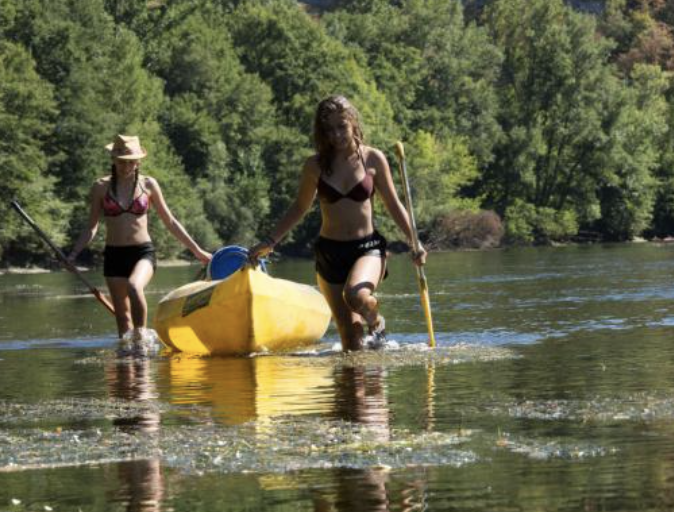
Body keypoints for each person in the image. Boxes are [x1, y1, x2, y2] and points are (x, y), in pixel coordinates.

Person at [249, 95, 426, 351]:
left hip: (367, 248)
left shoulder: (373, 159)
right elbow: (300, 207)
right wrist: (270, 241)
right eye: (329, 129)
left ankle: (376, 322)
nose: (336, 135)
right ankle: (367, 372)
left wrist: (415, 242)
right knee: (351, 343)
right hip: (329, 253)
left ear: (353, 122)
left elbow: (394, 205)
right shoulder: (314, 166)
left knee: (356, 295)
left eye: (341, 126)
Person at [68, 134, 211, 352]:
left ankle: (142, 341)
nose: (126, 167)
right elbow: (91, 227)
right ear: (114, 160)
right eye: (122, 162)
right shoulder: (100, 187)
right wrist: (73, 254)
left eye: (131, 162)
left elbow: (171, 221)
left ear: (138, 162)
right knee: (123, 319)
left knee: (135, 286)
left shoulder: (148, 184)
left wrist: (197, 251)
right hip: (114, 255)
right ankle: (129, 362)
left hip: (142, 252)